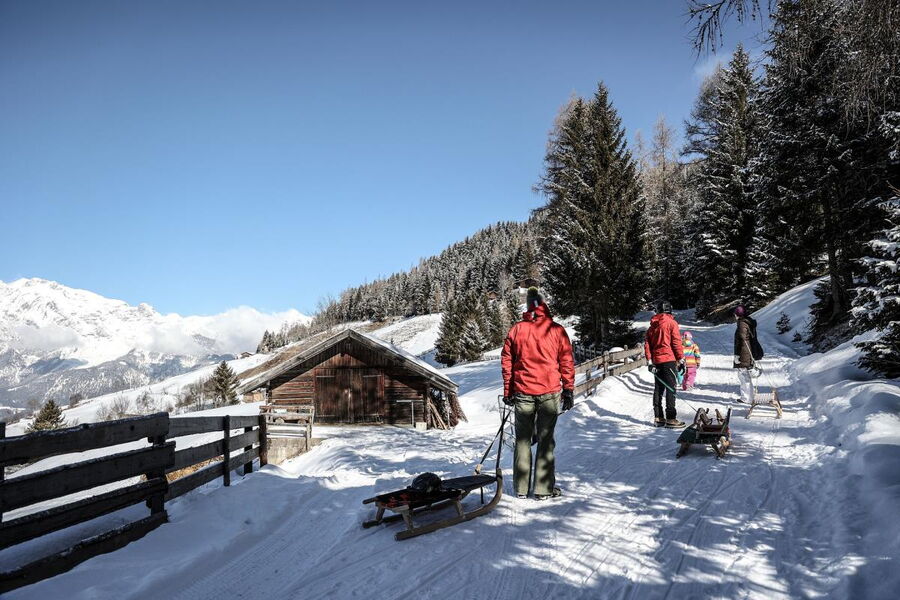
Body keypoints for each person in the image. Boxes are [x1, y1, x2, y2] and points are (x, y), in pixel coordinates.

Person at [501, 288, 575, 501]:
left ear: (528, 307)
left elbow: (507, 361)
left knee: (523, 440)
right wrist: (568, 389)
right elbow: (566, 362)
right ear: (544, 305)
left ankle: (521, 488)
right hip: (549, 393)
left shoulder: (517, 330)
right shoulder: (557, 330)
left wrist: (509, 389)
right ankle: (543, 489)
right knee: (545, 440)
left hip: (523, 391)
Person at [644, 301, 686, 428]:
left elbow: (647, 344)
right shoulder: (671, 323)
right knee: (671, 388)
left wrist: (649, 360)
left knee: (658, 388)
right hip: (668, 359)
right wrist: (681, 359)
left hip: (656, 361)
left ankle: (658, 417)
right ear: (669, 310)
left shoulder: (652, 326)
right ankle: (671, 418)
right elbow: (676, 343)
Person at [733, 305, 757, 404]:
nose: (734, 316)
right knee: (745, 375)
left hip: (743, 353)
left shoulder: (742, 324)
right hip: (747, 352)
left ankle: (747, 398)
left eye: (735, 314)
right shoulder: (748, 322)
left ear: (738, 315)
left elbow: (742, 340)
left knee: (743, 376)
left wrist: (737, 355)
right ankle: (749, 396)